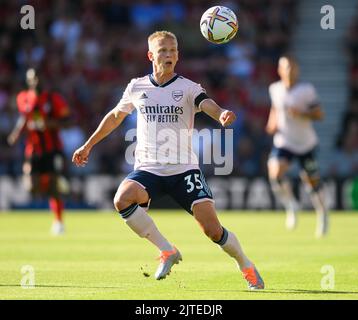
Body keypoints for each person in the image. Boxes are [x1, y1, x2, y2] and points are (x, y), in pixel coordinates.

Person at [72, 31, 264, 289]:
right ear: (151, 55)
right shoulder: (137, 87)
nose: (169, 55)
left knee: (212, 230)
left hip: (183, 170)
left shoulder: (187, 87)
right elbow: (116, 117)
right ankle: (167, 250)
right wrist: (88, 145)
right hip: (149, 168)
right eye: (163, 50)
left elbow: (206, 103)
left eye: (173, 50)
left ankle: (245, 264)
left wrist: (220, 114)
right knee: (122, 199)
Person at [266, 55, 329, 237]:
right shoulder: (275, 89)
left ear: (298, 70)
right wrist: (272, 123)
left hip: (305, 143)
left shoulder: (306, 90)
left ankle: (322, 213)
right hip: (285, 141)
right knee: (275, 173)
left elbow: (319, 115)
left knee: (312, 183)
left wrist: (302, 113)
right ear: (279, 70)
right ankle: (291, 205)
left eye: (293, 67)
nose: (290, 71)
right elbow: (275, 108)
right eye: (286, 67)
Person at [8, 68, 70, 235]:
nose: (36, 81)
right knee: (31, 187)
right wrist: (16, 134)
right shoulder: (23, 98)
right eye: (32, 79)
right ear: (28, 81)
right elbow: (24, 118)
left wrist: (49, 124)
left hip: (52, 149)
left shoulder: (53, 99)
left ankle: (58, 221)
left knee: (53, 187)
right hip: (33, 149)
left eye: (38, 78)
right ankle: (54, 184)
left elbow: (68, 122)